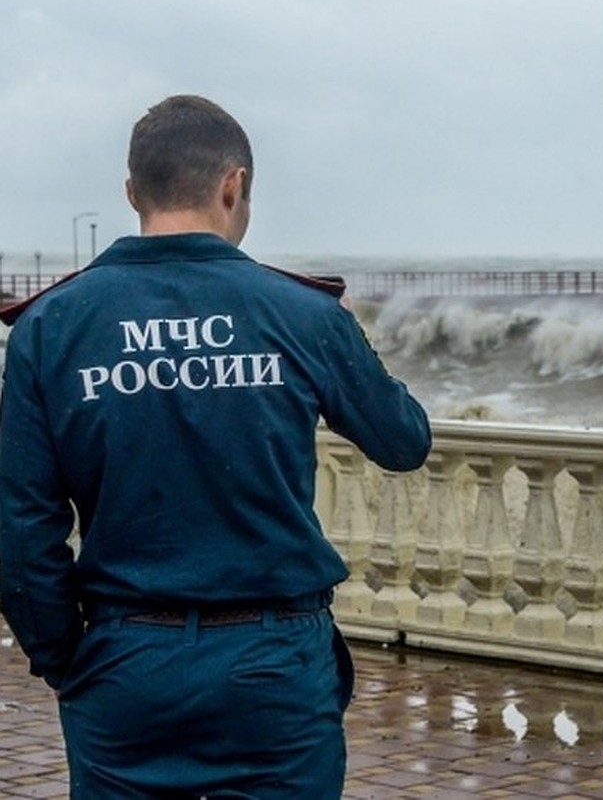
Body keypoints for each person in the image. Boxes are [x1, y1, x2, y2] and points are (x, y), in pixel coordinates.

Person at [0, 95, 432, 798]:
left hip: (124, 661)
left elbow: (21, 533)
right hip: (273, 664)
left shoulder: (50, 328)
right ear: (234, 185)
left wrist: (66, 659)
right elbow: (404, 440)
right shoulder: (301, 313)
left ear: (132, 192)